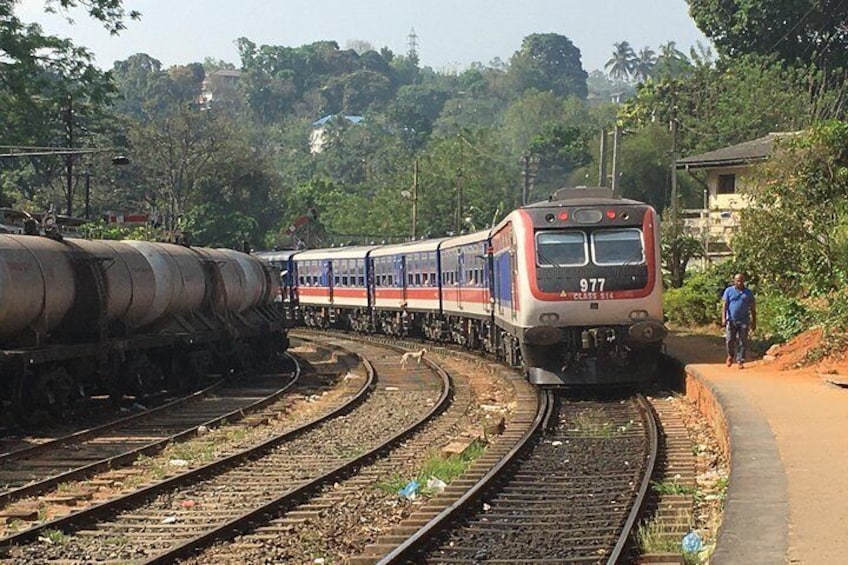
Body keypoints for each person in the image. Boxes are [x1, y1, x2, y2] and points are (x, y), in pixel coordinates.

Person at [721, 273, 757, 369]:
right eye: (737, 280)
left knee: (743, 341)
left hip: (744, 320)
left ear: (744, 281)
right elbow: (725, 305)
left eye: (741, 280)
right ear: (734, 281)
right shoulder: (729, 291)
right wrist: (724, 318)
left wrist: (754, 321)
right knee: (729, 340)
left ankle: (740, 360)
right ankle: (730, 356)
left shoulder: (748, 293)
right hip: (731, 320)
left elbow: (753, 308)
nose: (739, 282)